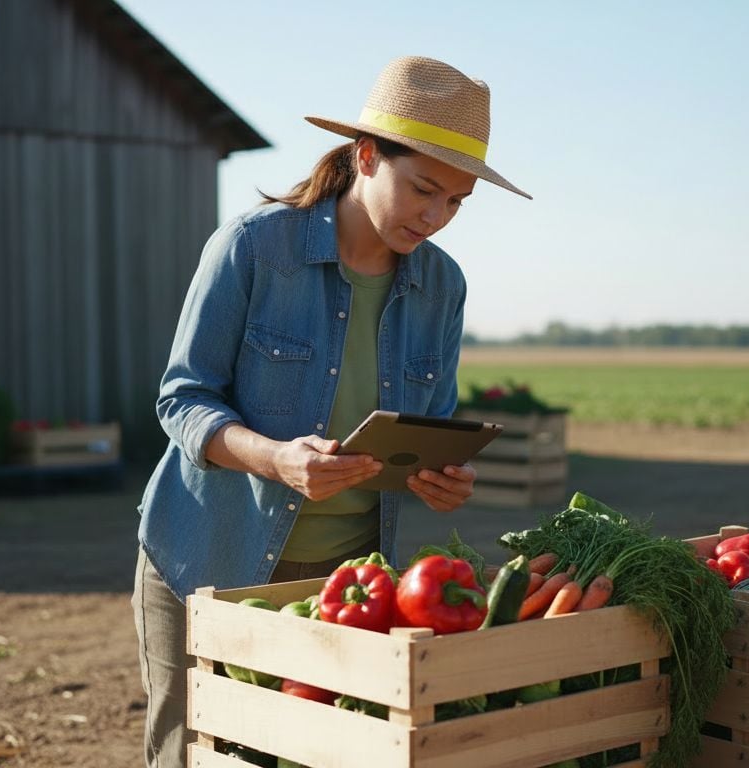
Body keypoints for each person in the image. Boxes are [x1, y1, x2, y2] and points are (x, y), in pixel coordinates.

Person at [130, 55, 530, 767]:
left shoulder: (443, 285)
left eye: (457, 202)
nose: (436, 217)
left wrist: (439, 478)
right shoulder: (254, 247)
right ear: (366, 155)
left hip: (347, 585)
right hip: (211, 562)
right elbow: (180, 399)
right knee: (195, 757)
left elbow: (430, 426)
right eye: (424, 190)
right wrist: (277, 459)